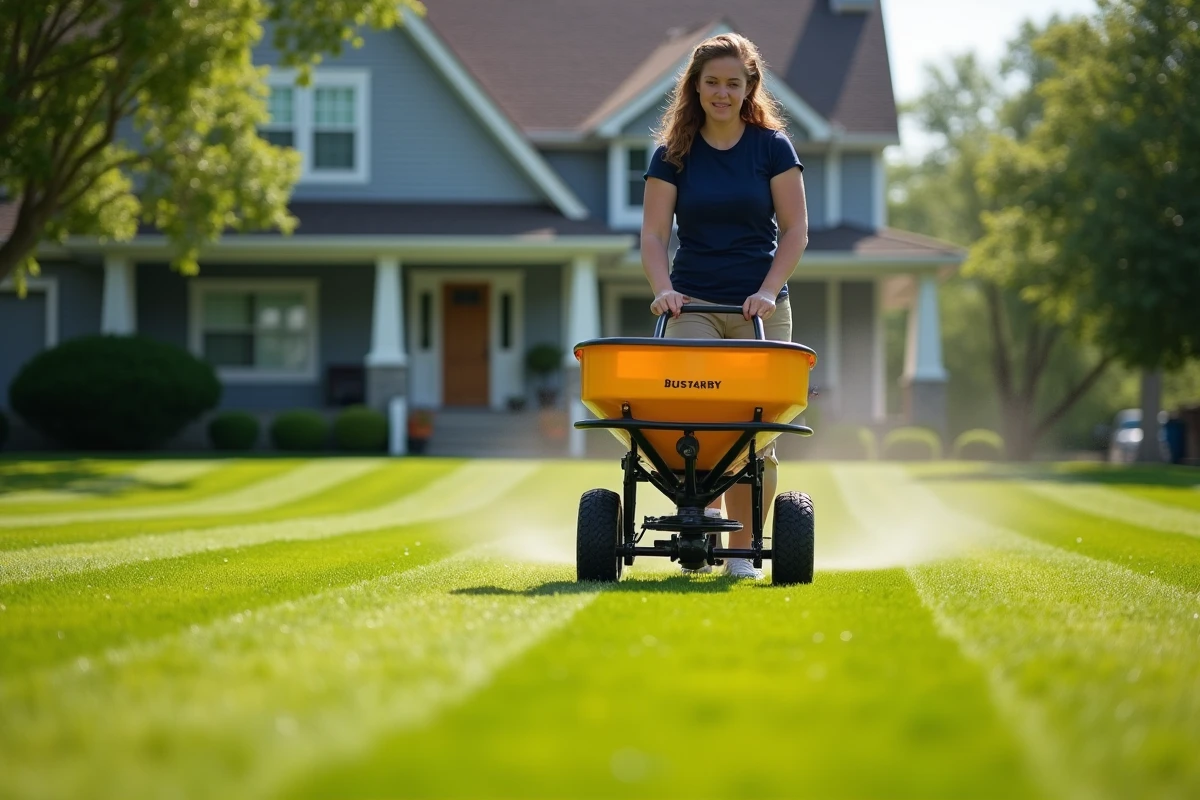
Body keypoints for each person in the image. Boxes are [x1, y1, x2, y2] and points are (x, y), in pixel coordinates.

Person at [642, 32, 809, 579]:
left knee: (756, 433)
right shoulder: (672, 154)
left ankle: (742, 553)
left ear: (749, 87)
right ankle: (699, 526)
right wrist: (663, 287)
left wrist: (766, 289)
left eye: (732, 83)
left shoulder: (771, 147)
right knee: (696, 419)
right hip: (692, 303)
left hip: (759, 308)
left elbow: (796, 230)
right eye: (711, 81)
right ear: (695, 86)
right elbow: (651, 235)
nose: (721, 92)